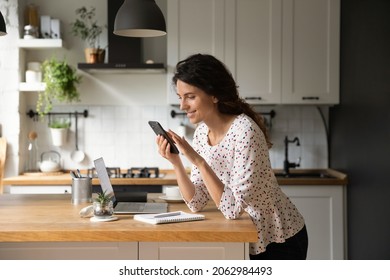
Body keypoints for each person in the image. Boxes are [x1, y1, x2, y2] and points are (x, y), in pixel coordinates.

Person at [155, 53, 308, 260]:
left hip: (279, 238)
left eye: (191, 97)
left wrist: (198, 160)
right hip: (245, 236)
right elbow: (196, 202)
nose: (183, 106)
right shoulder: (202, 133)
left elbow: (233, 208)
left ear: (214, 95)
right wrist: (177, 163)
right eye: (180, 98)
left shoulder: (245, 132)